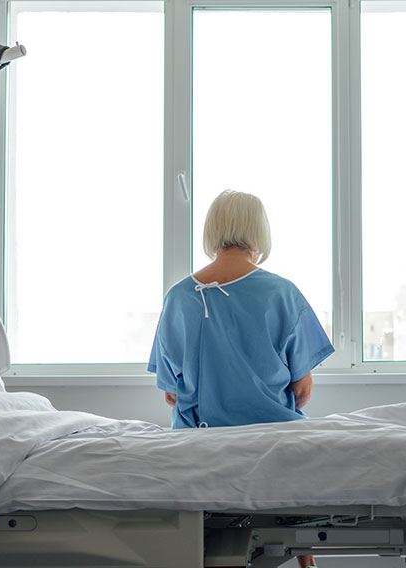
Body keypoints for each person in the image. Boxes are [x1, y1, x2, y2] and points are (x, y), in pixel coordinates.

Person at [148, 190, 332, 568]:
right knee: (300, 470)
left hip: (198, 445)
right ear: (260, 232)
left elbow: (170, 394)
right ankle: (305, 562)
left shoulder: (179, 296)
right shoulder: (283, 293)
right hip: (271, 441)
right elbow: (302, 391)